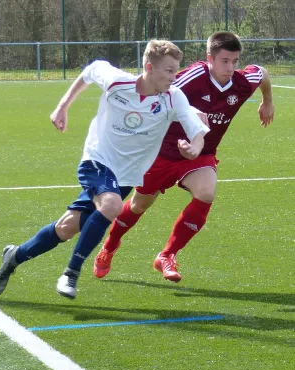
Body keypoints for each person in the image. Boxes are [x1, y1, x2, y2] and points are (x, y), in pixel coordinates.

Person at [0, 39, 210, 299]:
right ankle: (71, 273)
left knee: (66, 227)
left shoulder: (173, 98)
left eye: (176, 70)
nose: (174, 77)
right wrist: (62, 107)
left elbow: (197, 130)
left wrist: (194, 149)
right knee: (112, 206)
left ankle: (14, 257)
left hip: (126, 175)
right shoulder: (117, 81)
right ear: (150, 67)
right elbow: (90, 71)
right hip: (96, 160)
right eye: (169, 70)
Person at [93, 31, 275, 282]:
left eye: (235, 61)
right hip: (160, 152)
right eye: (224, 61)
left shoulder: (242, 81)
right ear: (209, 58)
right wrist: (188, 110)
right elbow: (154, 90)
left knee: (207, 192)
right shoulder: (192, 77)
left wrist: (267, 101)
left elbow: (262, 73)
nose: (231, 67)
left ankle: (167, 255)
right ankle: (109, 247)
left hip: (200, 154)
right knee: (139, 205)